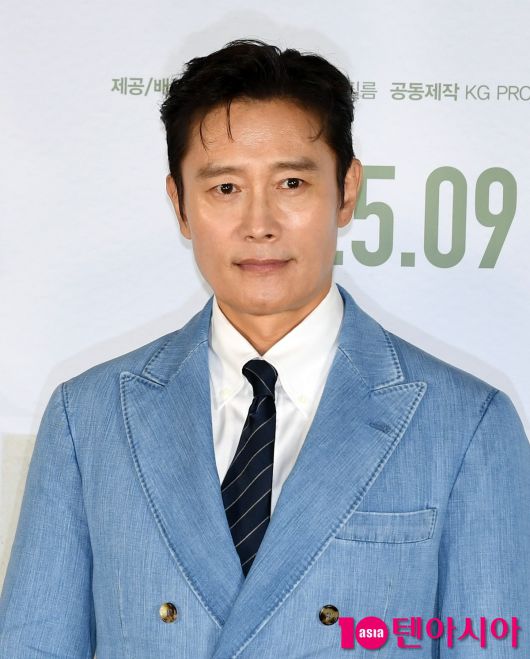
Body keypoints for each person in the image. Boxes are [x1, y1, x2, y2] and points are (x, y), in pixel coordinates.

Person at [1, 39, 529, 658]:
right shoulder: (88, 418)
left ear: (347, 191)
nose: (259, 224)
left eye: (292, 182)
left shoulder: (467, 425)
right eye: (225, 188)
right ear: (180, 204)